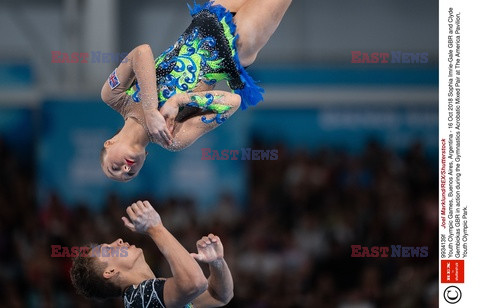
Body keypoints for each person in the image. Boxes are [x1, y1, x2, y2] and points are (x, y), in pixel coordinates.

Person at [100, 0, 292, 181]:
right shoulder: (173, 138)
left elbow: (141, 52)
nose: (125, 170)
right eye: (129, 176)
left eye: (113, 168)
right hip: (236, 44)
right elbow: (233, 102)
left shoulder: (115, 97)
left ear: (109, 143)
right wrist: (179, 101)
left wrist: (151, 110)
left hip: (212, 14)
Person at [70, 200, 234, 307]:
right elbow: (195, 283)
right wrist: (155, 228)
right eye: (108, 249)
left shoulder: (153, 294)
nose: (118, 241)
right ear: (110, 272)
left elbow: (219, 295)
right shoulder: (139, 299)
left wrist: (217, 262)